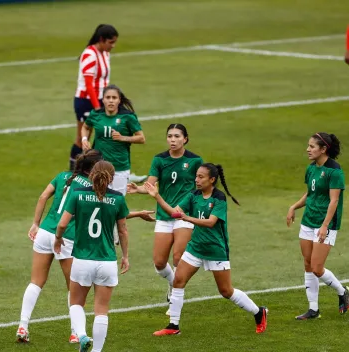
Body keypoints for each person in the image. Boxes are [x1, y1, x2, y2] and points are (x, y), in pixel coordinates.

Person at [16, 152, 153, 344]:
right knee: (74, 289)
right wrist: (137, 213)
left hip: (45, 231)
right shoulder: (87, 188)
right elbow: (105, 210)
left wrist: (35, 224)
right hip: (66, 238)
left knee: (36, 282)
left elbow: (43, 196)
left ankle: (23, 325)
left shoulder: (63, 176)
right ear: (95, 170)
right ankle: (75, 332)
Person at [144, 163, 268, 335]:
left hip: (215, 250)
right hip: (195, 247)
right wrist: (157, 196)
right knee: (178, 281)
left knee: (226, 291)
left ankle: (258, 312)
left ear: (212, 179)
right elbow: (174, 212)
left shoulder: (219, 198)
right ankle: (173, 326)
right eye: (196, 176)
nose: (196, 180)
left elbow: (211, 222)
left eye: (201, 177)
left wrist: (187, 218)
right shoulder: (193, 195)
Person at [54, 160, 129, 352]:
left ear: (91, 174)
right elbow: (122, 231)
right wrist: (125, 256)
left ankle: (81, 335)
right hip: (107, 261)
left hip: (82, 259)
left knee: (76, 303)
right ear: (112, 178)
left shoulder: (78, 195)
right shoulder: (118, 198)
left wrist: (58, 240)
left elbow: (62, 224)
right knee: (101, 310)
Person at [127, 124, 202, 313]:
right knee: (159, 263)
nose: (173, 140)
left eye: (177, 136)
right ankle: (173, 282)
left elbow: (199, 187)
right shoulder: (159, 160)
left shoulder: (194, 161)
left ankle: (175, 306)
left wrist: (189, 206)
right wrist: (139, 189)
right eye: (170, 136)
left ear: (185, 139)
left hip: (184, 215)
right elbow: (150, 185)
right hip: (164, 215)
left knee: (178, 257)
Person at [71, 23, 146, 182]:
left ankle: (120, 172)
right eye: (111, 42)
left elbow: (103, 82)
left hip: (101, 100)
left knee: (116, 133)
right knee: (83, 139)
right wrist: (98, 109)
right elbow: (89, 84)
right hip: (86, 101)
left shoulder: (105, 53)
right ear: (101, 40)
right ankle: (75, 174)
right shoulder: (89, 55)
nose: (113, 45)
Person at [286, 132, 349, 320]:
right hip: (308, 221)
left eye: (312, 146)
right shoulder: (311, 168)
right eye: (308, 146)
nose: (308, 149)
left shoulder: (335, 171)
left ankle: (342, 291)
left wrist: (325, 226)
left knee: (317, 267)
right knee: (307, 264)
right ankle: (313, 309)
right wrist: (294, 206)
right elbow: (310, 193)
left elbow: (334, 201)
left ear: (324, 149)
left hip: (325, 224)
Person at [81, 84, 145, 196]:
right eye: (108, 97)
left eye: (114, 98)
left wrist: (122, 138)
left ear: (119, 100)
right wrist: (84, 139)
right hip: (98, 166)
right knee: (96, 201)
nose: (111, 101)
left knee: (115, 204)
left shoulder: (127, 117)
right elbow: (86, 127)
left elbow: (141, 138)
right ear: (103, 100)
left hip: (119, 167)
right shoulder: (96, 115)